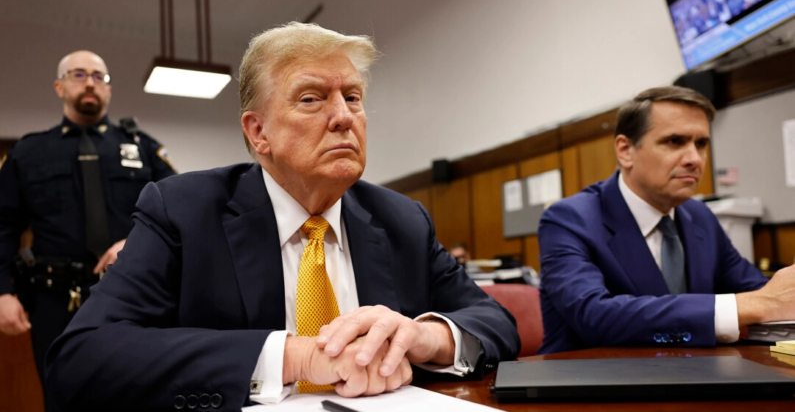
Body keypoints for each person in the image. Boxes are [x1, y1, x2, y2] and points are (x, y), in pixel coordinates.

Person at [45, 23, 520, 411]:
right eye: (311, 99)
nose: (343, 117)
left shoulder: (401, 219)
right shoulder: (183, 211)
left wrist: (424, 337)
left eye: (353, 98)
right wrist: (295, 357)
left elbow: (494, 321)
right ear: (258, 132)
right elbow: (82, 358)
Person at [537, 86, 795, 354]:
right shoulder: (568, 219)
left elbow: (761, 291)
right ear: (625, 150)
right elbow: (594, 315)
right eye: (675, 141)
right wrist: (754, 305)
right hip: (587, 384)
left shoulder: (700, 216)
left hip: (695, 375)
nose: (694, 159)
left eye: (701, 144)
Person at [0, 50, 176, 409]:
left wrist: (134, 241)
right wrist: (2, 292)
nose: (91, 83)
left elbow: (177, 213)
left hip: (132, 293)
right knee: (63, 397)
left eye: (100, 76)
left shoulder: (142, 147)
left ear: (109, 90)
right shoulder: (29, 152)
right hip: (54, 300)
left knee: (138, 394)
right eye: (79, 75)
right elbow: (2, 227)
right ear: (59, 86)